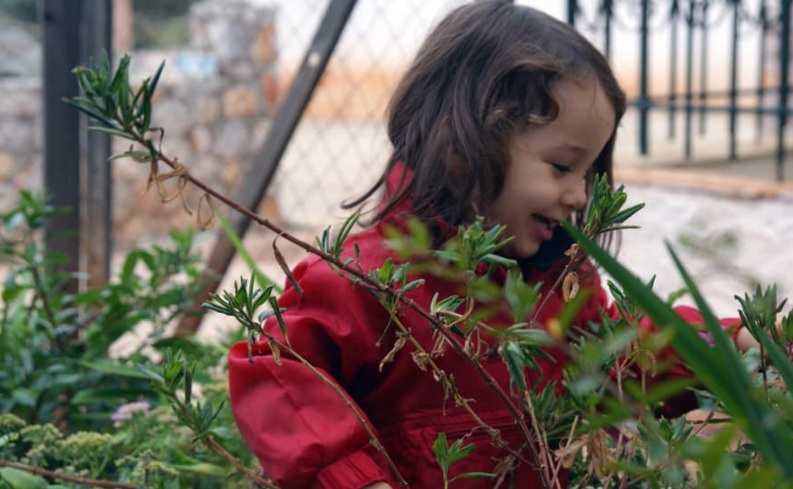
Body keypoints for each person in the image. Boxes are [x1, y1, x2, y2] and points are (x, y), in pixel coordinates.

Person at [227, 1, 752, 488]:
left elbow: (619, 358)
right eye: (562, 166)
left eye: (590, 173)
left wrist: (732, 345)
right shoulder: (367, 282)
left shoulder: (557, 281)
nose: (579, 195)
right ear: (461, 147)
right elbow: (275, 370)